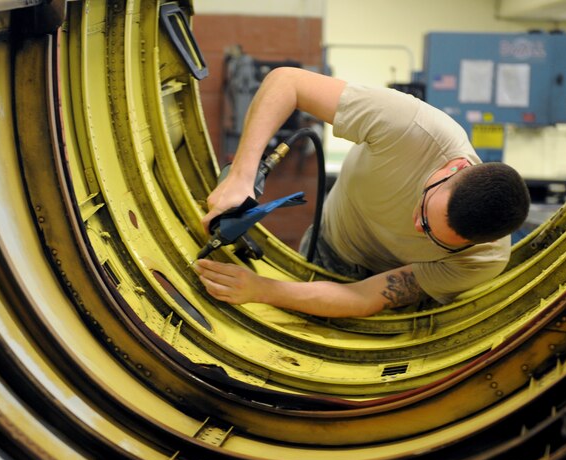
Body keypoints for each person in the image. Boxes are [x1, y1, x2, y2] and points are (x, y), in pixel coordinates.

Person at [194, 67, 530, 318]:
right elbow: (287, 82)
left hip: (382, 281)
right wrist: (241, 175)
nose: (416, 226)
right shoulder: (412, 127)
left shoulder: (484, 260)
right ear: (453, 169)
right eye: (425, 211)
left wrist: (262, 289)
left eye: (432, 236)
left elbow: (365, 297)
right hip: (329, 244)